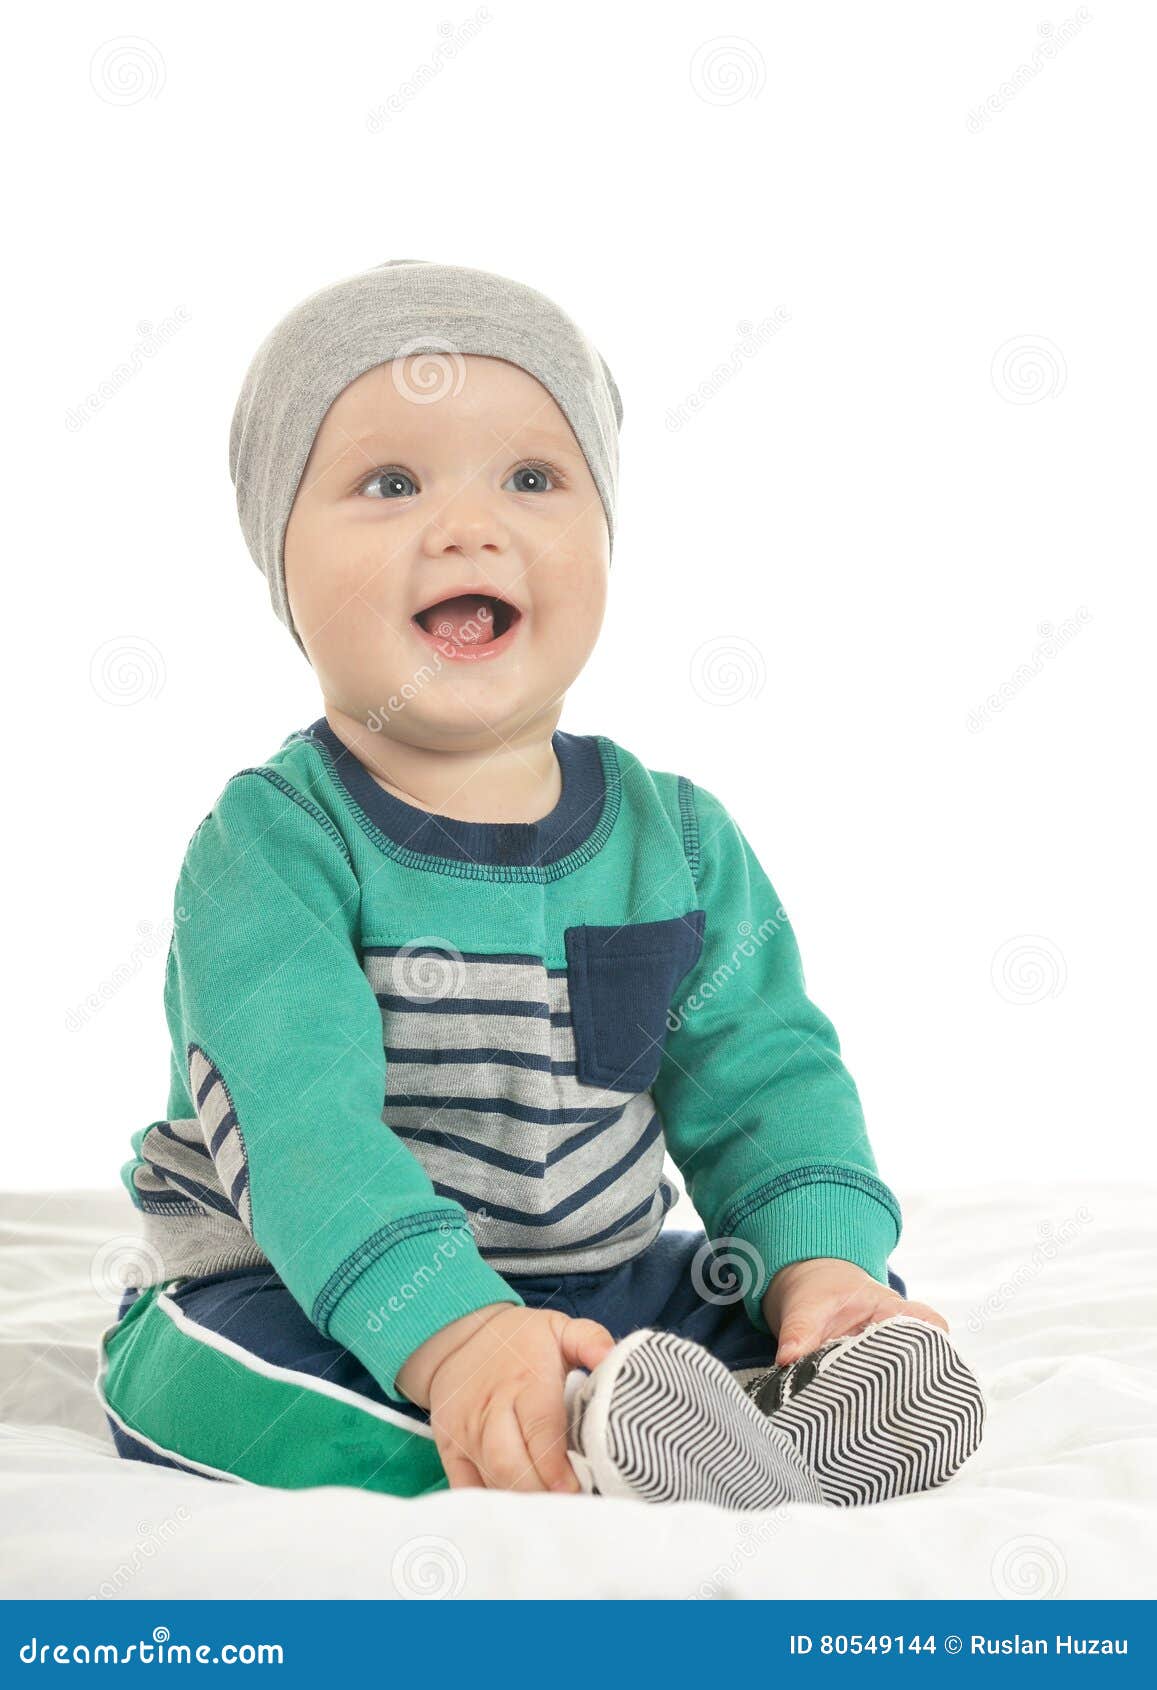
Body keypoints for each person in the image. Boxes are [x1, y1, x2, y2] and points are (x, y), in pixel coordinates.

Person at [97, 259, 985, 1508]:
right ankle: (552, 1437)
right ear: (278, 563)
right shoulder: (273, 842)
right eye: (389, 482)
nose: (470, 526)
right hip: (297, 1276)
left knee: (746, 1293)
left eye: (532, 478)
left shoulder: (674, 838)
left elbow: (766, 1081)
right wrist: (455, 1332)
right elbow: (304, 1134)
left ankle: (781, 1393)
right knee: (214, 1381)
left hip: (593, 1280)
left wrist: (822, 1270)